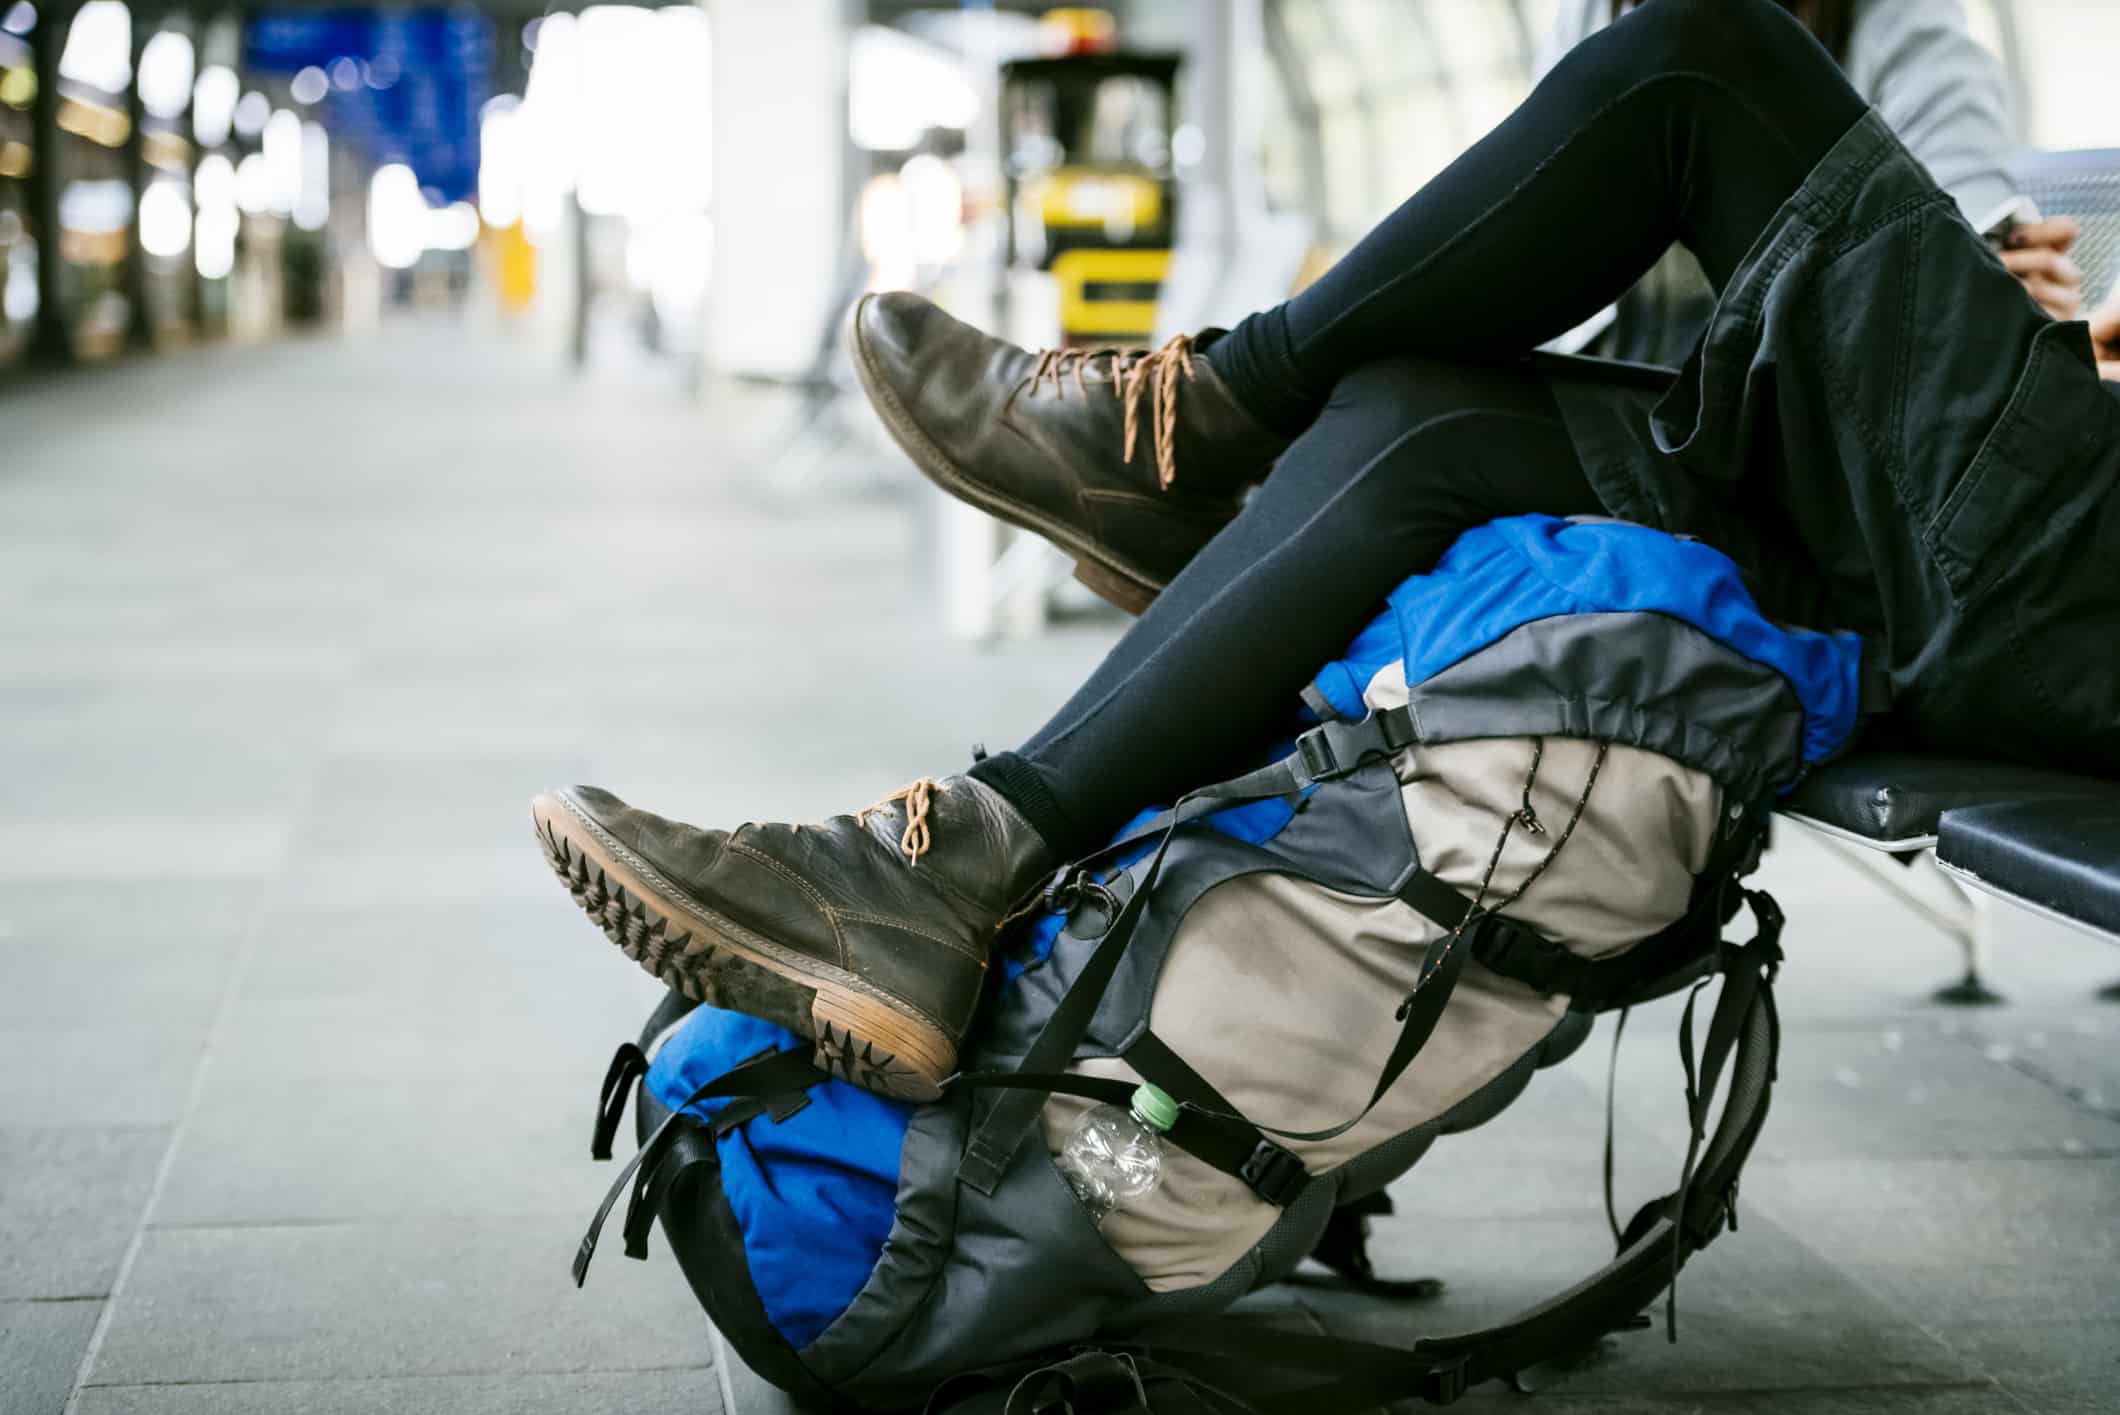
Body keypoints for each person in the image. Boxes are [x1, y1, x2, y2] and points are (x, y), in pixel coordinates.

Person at [533, 0, 2120, 1107]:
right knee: (1422, 409)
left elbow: (1953, 178)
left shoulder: (1905, 21)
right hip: (2008, 546)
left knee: (1706, 60)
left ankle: (1192, 425)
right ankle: (951, 867)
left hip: (2058, 588)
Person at [1539, 0, 2084, 362]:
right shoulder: (1594, 17)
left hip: (1796, 414)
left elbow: (1966, 236)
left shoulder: (1895, 22)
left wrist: (1993, 296)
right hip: (1636, 395)